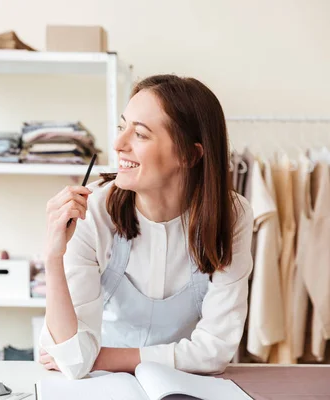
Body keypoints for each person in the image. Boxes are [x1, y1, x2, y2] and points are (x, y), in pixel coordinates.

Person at [39, 75, 254, 380]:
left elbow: (215, 351)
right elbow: (74, 362)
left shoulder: (232, 216)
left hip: (186, 385)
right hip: (106, 387)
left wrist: (99, 358)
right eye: (121, 127)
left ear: (189, 155)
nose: (117, 144)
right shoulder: (92, 213)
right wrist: (52, 257)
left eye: (139, 134)